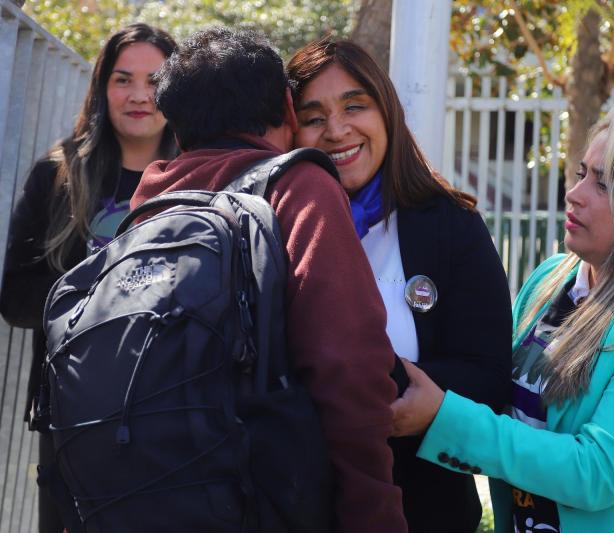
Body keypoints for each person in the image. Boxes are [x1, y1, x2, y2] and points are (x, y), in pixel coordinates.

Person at [392, 107, 614, 532]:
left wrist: (442, 417)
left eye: (603, 183)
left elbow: (598, 472)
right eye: (582, 173)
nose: (575, 193)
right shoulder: (553, 278)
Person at [129, 27, 406, 532]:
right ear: (286, 106)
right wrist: (374, 512)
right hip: (256, 503)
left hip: (138, 500)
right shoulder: (297, 187)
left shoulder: (146, 210)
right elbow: (348, 363)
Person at [287, 37, 512, 533]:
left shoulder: (452, 225)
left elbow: (490, 373)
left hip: (425, 508)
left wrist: (408, 401)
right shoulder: (270, 230)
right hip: (298, 504)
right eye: (315, 115)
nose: (338, 130)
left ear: (386, 110)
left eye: (355, 106)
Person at [0, 23, 177, 532]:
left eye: (156, 79)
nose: (140, 95)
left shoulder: (201, 178)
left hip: (172, 409)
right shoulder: (57, 174)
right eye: (123, 79)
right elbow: (15, 297)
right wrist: (105, 298)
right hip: (73, 413)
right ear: (102, 87)